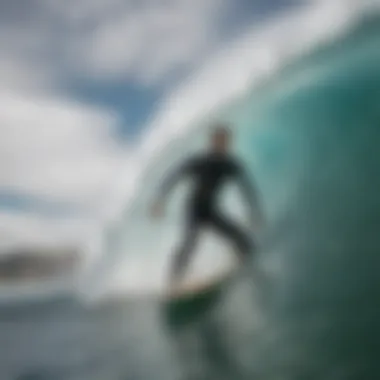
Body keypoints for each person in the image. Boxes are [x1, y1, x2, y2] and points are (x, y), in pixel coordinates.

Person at [150, 124, 264, 287]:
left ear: (228, 143)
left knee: (241, 238)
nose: (222, 144)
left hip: (210, 211)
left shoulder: (230, 165)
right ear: (212, 142)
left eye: (225, 141)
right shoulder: (200, 161)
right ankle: (173, 281)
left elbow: (246, 188)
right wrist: (160, 199)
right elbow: (175, 175)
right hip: (194, 209)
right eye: (218, 141)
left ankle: (245, 264)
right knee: (189, 243)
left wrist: (254, 211)